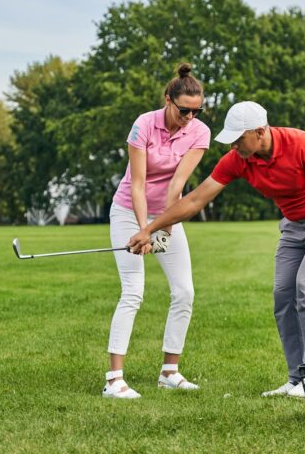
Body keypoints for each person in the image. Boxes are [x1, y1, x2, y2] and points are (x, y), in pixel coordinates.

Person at [128, 101, 305, 398]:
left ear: (260, 132)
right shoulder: (239, 159)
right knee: (283, 295)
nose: (234, 145)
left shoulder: (303, 145)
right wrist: (149, 229)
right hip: (293, 226)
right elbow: (194, 201)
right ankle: (297, 379)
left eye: (239, 138)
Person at [102, 63, 211, 399]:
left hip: (165, 214)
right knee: (133, 291)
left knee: (184, 292)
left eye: (197, 111)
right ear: (168, 100)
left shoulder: (199, 133)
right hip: (127, 211)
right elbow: (137, 184)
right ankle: (113, 380)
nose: (189, 118)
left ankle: (169, 372)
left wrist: (160, 226)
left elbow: (176, 185)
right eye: (183, 110)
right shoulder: (143, 125)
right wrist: (141, 229)